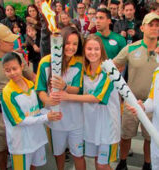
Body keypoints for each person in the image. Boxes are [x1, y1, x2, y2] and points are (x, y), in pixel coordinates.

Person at [51, 34, 121, 170]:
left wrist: (67, 96)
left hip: (108, 126)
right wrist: (64, 86)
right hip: (93, 125)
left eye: (96, 49)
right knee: (97, 161)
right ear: (84, 51)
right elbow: (78, 90)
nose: (93, 52)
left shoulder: (109, 70)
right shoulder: (85, 70)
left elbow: (97, 98)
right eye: (89, 49)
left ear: (102, 51)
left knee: (102, 165)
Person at [35, 26, 86, 170]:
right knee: (59, 154)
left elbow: (77, 89)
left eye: (75, 44)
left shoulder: (79, 62)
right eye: (68, 43)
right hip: (55, 119)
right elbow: (40, 90)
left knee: (78, 155)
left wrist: (64, 87)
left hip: (76, 119)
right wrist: (47, 100)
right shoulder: (45, 62)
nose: (71, 47)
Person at [0, 52, 62, 170]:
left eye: (14, 68)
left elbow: (39, 109)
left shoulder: (31, 85)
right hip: (20, 144)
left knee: (34, 166)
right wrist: (46, 117)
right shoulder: (7, 93)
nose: (12, 73)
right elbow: (19, 120)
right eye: (8, 70)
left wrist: (52, 114)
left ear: (22, 66)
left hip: (36, 138)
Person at [114, 12, 159, 170]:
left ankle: (147, 163)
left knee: (149, 138)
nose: (154, 28)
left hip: (154, 104)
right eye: (150, 25)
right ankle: (123, 162)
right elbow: (113, 66)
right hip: (131, 102)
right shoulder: (132, 48)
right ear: (142, 27)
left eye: (157, 25)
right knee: (126, 135)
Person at [0, 24, 35, 170]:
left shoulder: (18, 57)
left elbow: (32, 77)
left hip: (21, 113)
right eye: (7, 41)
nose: (12, 43)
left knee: (23, 146)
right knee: (0, 148)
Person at [127, 67, 159, 170]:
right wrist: (143, 107)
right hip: (156, 132)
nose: (157, 50)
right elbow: (153, 99)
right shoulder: (157, 71)